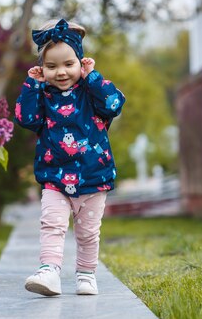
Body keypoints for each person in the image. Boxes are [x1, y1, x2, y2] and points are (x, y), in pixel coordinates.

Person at [14, 18, 125, 296]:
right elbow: (25, 118)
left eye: (68, 64)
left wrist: (93, 78)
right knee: (52, 224)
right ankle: (49, 271)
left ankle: (86, 274)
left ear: (81, 62)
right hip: (54, 176)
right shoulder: (43, 96)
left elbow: (114, 104)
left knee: (87, 233)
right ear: (42, 68)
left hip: (93, 176)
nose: (60, 72)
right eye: (51, 66)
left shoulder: (91, 93)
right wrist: (32, 85)